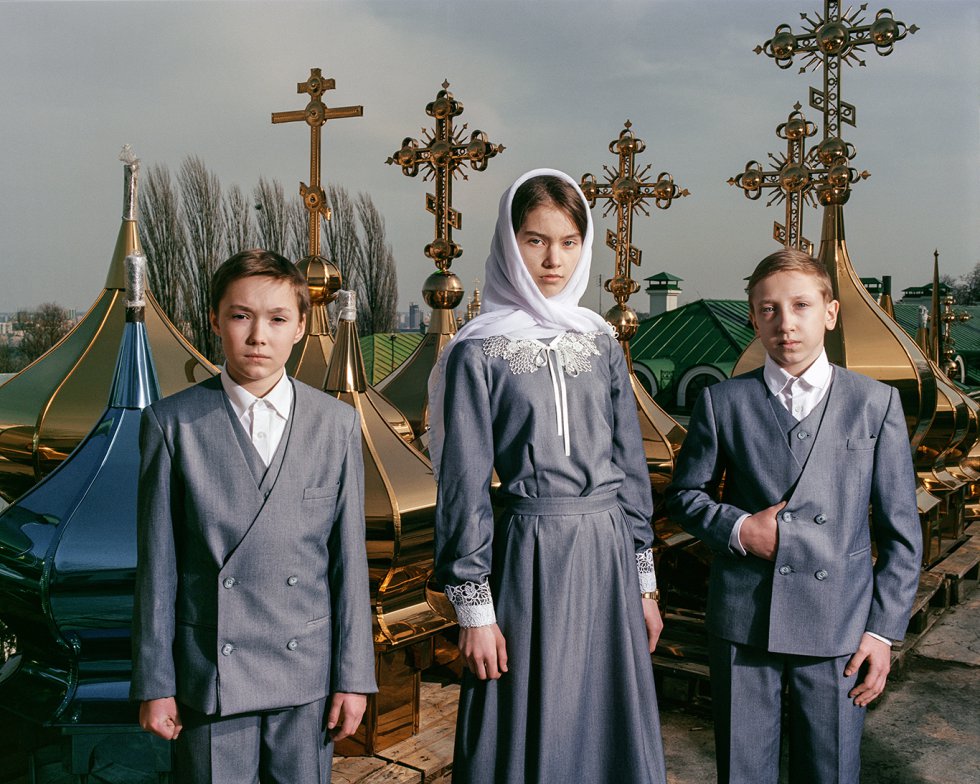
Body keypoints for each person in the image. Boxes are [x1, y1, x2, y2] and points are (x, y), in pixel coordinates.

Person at [430, 169, 667, 784]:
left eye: (568, 241)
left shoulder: (600, 341)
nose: (553, 258)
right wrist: (474, 612)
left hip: (608, 553)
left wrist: (645, 584)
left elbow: (629, 466)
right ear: (511, 244)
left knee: (604, 720)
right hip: (528, 558)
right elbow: (463, 488)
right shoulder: (477, 350)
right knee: (528, 717)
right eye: (535, 240)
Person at [665, 248, 922, 784]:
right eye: (769, 309)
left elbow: (901, 533)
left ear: (830, 312)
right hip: (744, 618)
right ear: (753, 316)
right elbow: (684, 496)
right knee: (742, 770)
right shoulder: (722, 402)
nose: (786, 323)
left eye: (801, 305)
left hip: (841, 625)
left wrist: (882, 632)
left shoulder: (875, 404)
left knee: (829, 769)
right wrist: (738, 529)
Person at [131, 249, 376, 784]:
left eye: (277, 319)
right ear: (215, 320)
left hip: (305, 677)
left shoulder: (336, 425)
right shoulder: (171, 425)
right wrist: (155, 683)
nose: (258, 335)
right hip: (211, 677)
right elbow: (157, 569)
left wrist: (354, 677)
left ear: (302, 326)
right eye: (241, 316)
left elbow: (348, 565)